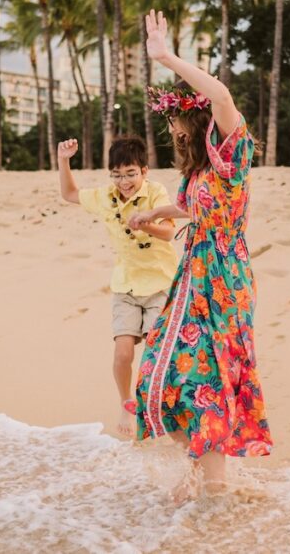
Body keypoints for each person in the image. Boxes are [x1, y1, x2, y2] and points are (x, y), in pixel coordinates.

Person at [128, 9, 273, 501]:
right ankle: (200, 473)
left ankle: (212, 488)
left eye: (176, 124)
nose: (172, 133)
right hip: (191, 276)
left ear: (195, 123)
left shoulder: (231, 159)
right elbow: (188, 208)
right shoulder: (196, 177)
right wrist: (150, 215)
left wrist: (165, 56)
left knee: (205, 377)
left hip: (224, 281)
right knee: (160, 374)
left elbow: (223, 96)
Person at [57, 134, 180, 437]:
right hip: (125, 287)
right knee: (123, 355)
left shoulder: (155, 193)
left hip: (160, 285)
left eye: (130, 174)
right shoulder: (106, 197)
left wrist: (146, 223)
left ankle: (157, 406)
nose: (124, 181)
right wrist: (63, 160)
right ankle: (127, 403)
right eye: (117, 174)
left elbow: (167, 233)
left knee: (154, 352)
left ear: (144, 171)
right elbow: (70, 194)